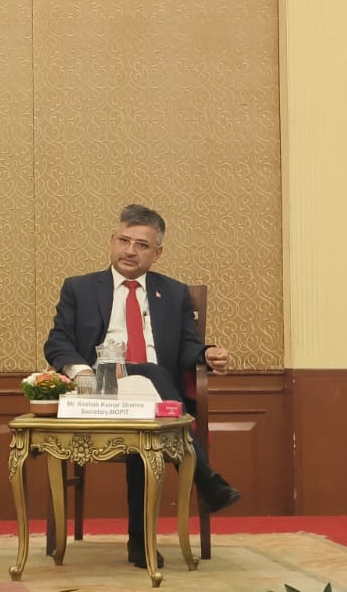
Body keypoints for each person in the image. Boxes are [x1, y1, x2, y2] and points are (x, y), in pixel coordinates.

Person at [43, 203, 241, 569]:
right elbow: (57, 343)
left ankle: (140, 543)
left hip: (154, 401)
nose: (130, 250)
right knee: (151, 381)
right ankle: (206, 480)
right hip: (99, 391)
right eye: (124, 240)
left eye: (141, 245)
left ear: (157, 253)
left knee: (147, 409)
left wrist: (207, 352)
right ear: (112, 240)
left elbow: (187, 347)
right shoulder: (79, 288)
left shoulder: (174, 293)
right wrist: (84, 374)